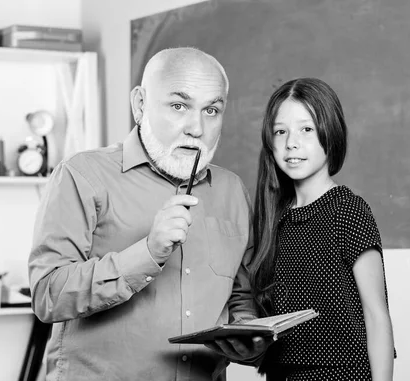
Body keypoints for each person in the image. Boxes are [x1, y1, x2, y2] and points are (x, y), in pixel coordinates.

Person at [28, 47, 267, 381]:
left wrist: (246, 337)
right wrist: (149, 252)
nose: (196, 128)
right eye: (179, 106)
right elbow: (47, 295)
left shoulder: (232, 191)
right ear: (140, 104)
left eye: (211, 110)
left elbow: (241, 297)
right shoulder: (81, 175)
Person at [250, 77, 396, 381]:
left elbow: (376, 316)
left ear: (329, 134)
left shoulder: (349, 210)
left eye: (306, 129)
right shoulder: (272, 218)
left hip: (344, 374)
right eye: (281, 131)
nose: (291, 142)